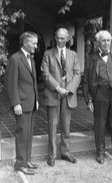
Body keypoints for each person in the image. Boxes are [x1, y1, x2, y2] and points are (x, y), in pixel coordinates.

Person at [83, 30, 112, 164]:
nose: (107, 43)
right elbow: (85, 80)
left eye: (108, 40)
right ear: (98, 43)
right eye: (104, 40)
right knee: (100, 124)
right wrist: (89, 99)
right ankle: (100, 152)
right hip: (99, 95)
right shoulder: (92, 58)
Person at [40, 28, 81, 166]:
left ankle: (66, 152)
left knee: (66, 126)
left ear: (68, 39)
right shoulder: (48, 54)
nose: (60, 40)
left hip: (67, 96)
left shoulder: (73, 55)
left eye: (63, 38)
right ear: (55, 38)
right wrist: (58, 88)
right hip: (53, 94)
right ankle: (52, 155)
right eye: (58, 37)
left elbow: (77, 74)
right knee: (52, 125)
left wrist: (68, 90)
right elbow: (45, 74)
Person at [5, 31, 39, 175]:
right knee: (22, 134)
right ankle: (20, 164)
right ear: (25, 43)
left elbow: (34, 82)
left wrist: (36, 99)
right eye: (34, 43)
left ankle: (26, 160)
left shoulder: (31, 59)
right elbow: (11, 83)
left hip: (30, 102)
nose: (36, 46)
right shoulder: (15, 59)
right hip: (22, 104)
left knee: (29, 134)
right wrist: (16, 103)